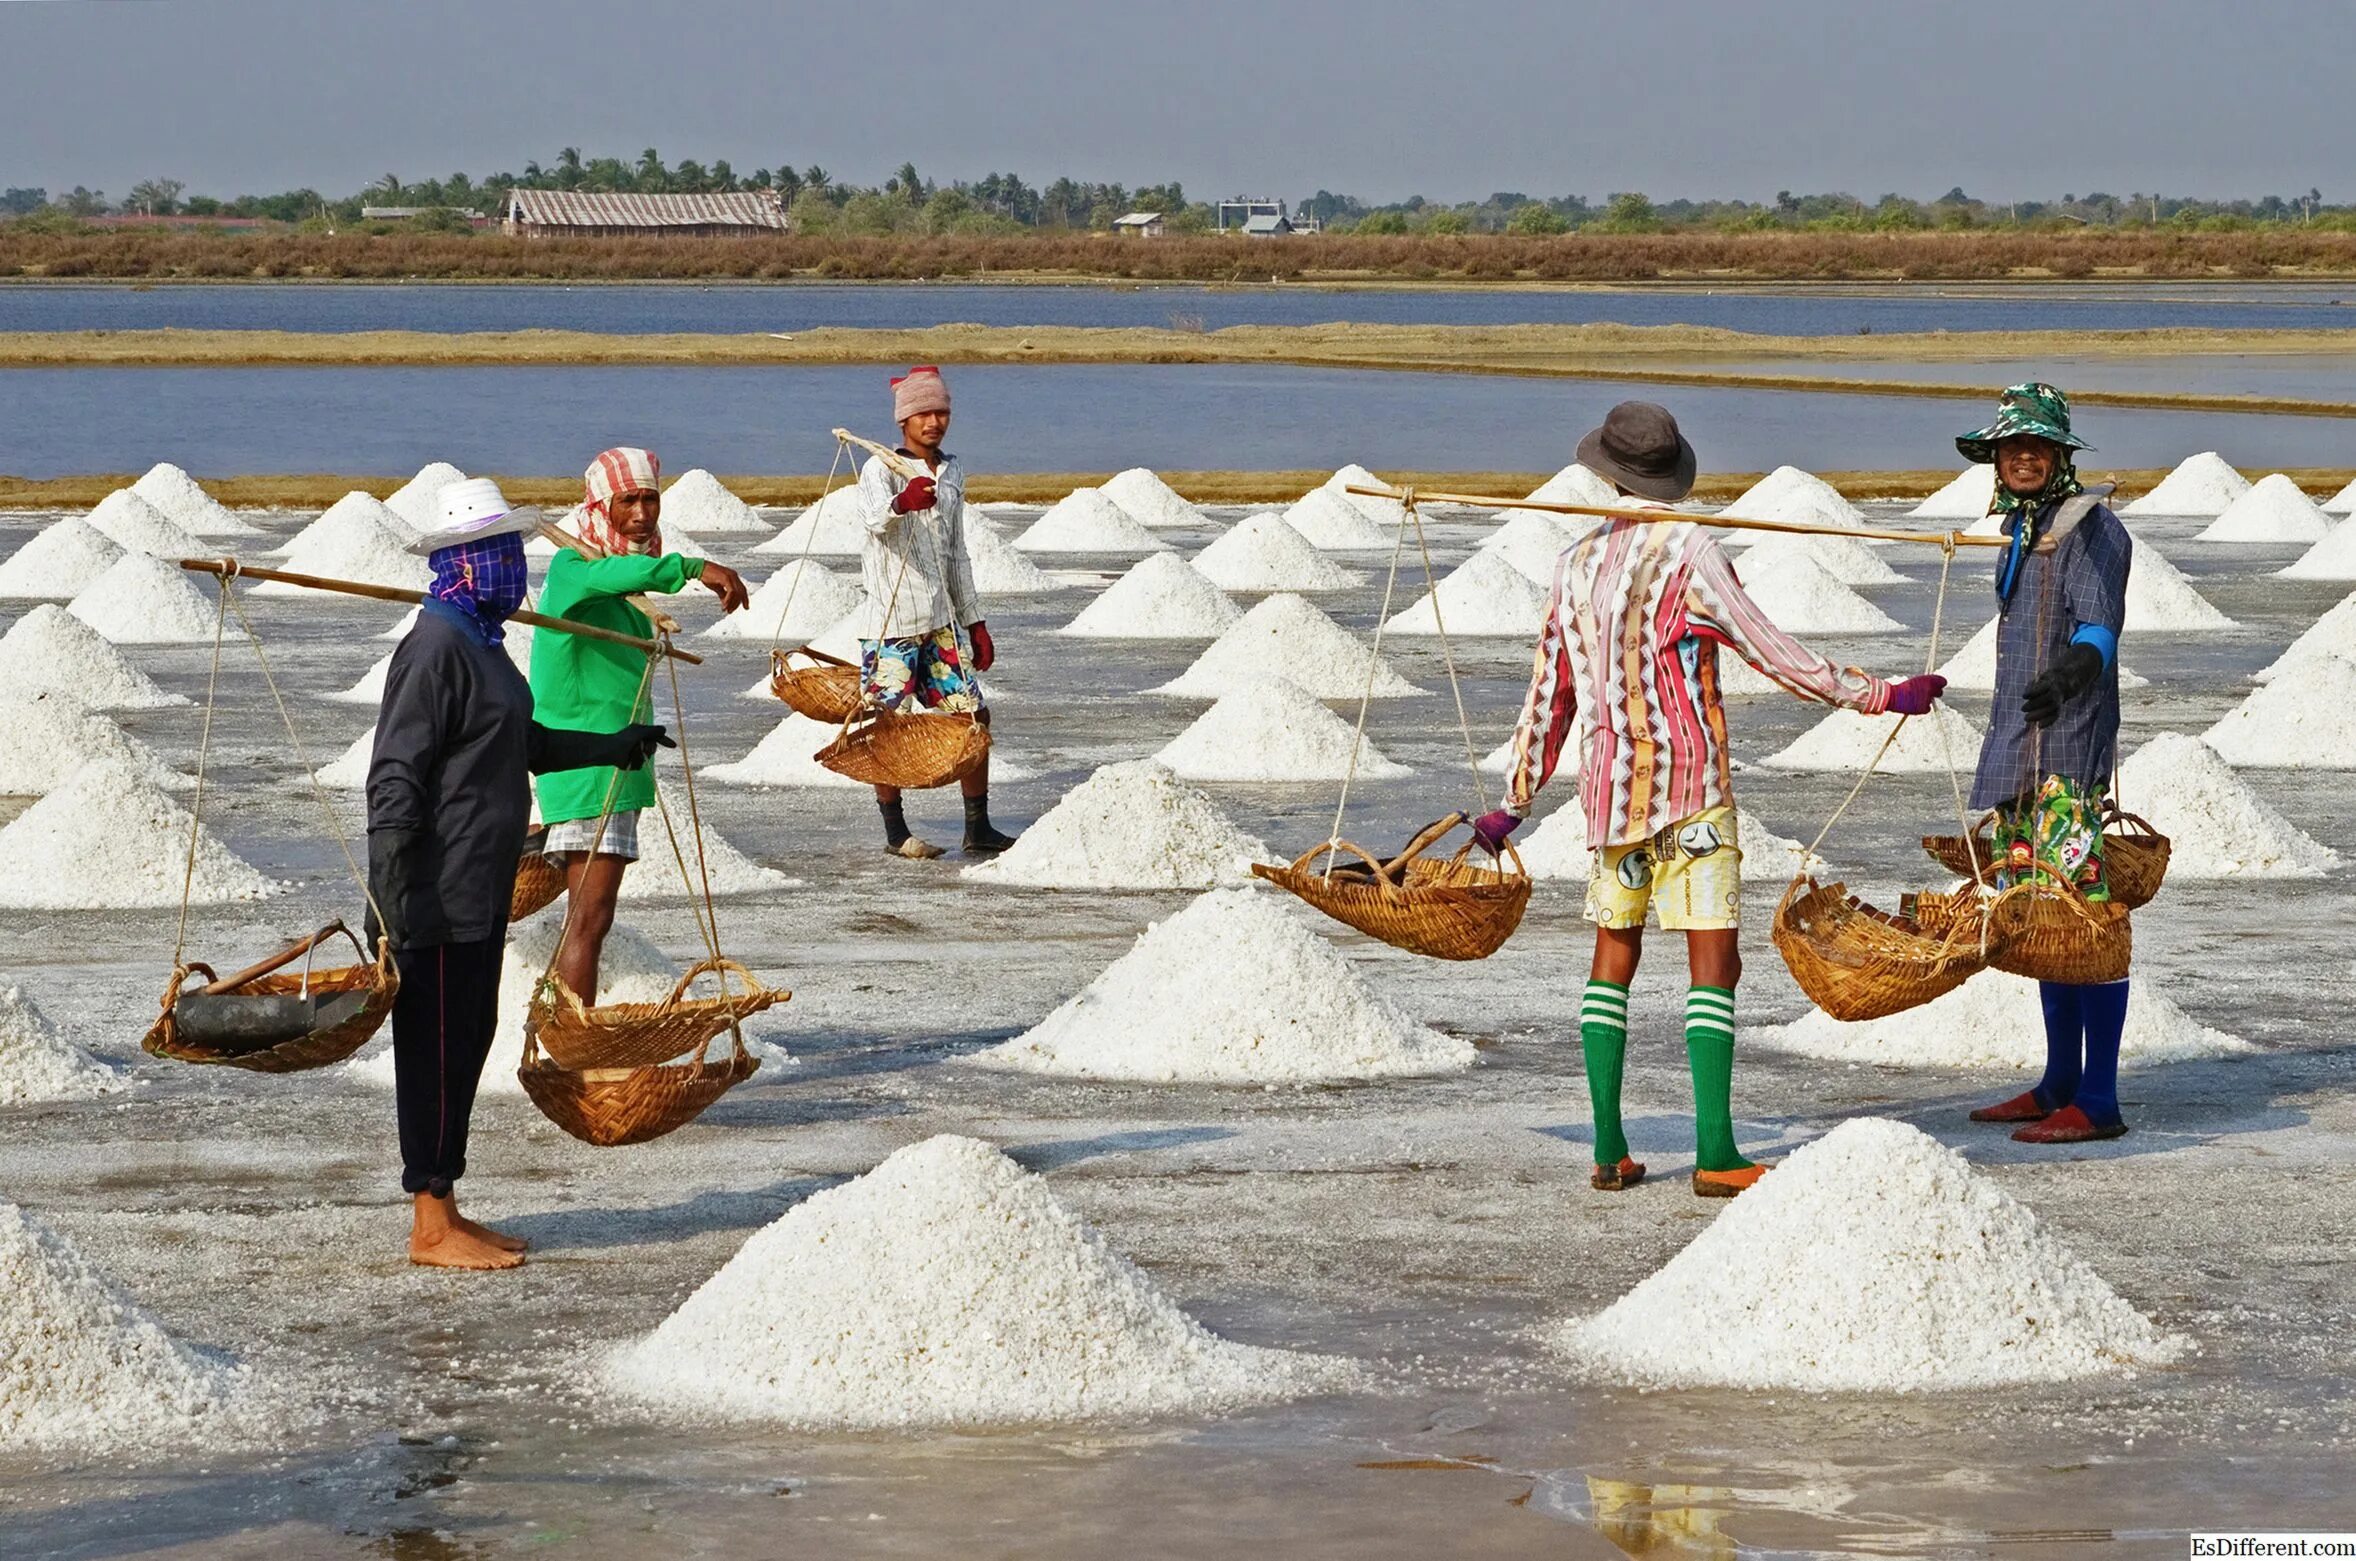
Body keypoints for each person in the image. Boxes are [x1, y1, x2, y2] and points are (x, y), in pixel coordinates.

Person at [1474, 402, 1946, 1198]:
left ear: (1606, 472)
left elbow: (1550, 692)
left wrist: (1514, 798)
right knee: (1712, 961)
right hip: (1688, 793)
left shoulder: (1573, 563)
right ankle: (1718, 1150)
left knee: (1612, 956)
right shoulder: (1690, 551)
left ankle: (1609, 1146)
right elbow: (1773, 651)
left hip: (1611, 793)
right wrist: (1881, 693)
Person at [369, 478, 671, 1270]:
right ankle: (429, 1224)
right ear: (464, 563)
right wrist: (387, 893)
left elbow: (526, 743)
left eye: (514, 553)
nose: (516, 568)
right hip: (433, 888)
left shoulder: (481, 642)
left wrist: (612, 744)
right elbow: (395, 777)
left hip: (480, 885)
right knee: (434, 1049)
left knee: (469, 1037)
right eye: (501, 554)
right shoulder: (433, 647)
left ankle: (449, 1203)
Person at [1949, 384, 2136, 1144]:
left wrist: (2072, 672)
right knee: (2043, 917)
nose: (2022, 457)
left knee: (2084, 919)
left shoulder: (2089, 529)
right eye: (2010, 446)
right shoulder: (2025, 530)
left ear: (2061, 456)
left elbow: (2100, 628)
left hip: (2067, 750)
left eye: (2037, 446)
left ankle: (2098, 1100)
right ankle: (2059, 1079)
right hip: (2020, 746)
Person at [531, 447, 748, 1001]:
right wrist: (695, 567)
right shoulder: (574, 570)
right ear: (601, 507)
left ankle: (563, 1029)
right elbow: (615, 571)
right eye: (628, 499)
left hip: (613, 762)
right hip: (588, 767)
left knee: (589, 917)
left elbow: (625, 572)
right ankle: (570, 1039)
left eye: (651, 498)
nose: (642, 511)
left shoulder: (614, 578)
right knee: (589, 919)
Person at [854, 365, 1016, 859]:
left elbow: (956, 550)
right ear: (904, 420)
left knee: (973, 717)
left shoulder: (953, 471)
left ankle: (978, 826)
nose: (934, 422)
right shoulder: (880, 469)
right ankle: (895, 832)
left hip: (941, 621)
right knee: (885, 722)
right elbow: (873, 523)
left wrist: (975, 620)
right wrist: (902, 503)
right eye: (923, 413)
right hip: (892, 625)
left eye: (941, 412)